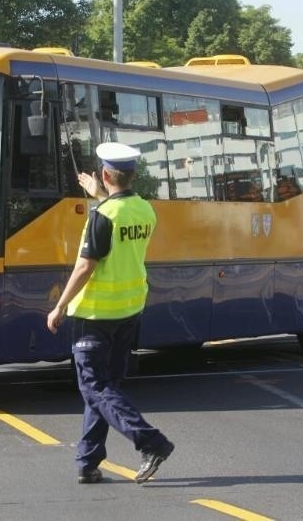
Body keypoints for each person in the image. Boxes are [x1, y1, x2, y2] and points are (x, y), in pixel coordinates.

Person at [46, 142, 174, 485]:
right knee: (105, 388)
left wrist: (60, 306)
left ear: (105, 175)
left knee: (95, 387)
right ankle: (87, 462)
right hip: (129, 310)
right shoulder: (146, 210)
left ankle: (151, 441)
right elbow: (120, 218)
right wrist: (99, 195)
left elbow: (86, 264)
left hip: (96, 314)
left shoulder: (100, 217)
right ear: (133, 175)